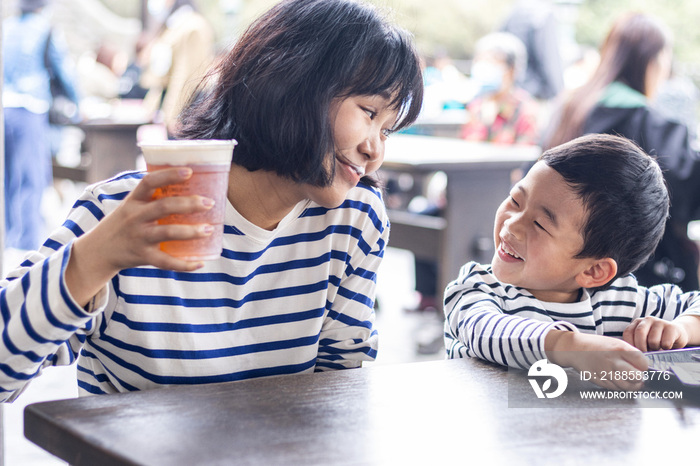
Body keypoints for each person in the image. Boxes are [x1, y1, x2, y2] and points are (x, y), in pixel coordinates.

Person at [0, 0, 423, 402]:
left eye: (388, 130)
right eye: (369, 112)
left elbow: (340, 389)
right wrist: (96, 257)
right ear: (294, 83)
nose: (375, 151)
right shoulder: (125, 213)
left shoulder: (355, 218)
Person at [444, 134, 700, 391]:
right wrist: (574, 348)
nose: (512, 224)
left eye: (539, 224)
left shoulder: (622, 302)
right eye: (515, 200)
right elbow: (483, 331)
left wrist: (681, 330)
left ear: (593, 270)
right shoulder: (477, 287)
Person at [544, 12, 700, 292]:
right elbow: (682, 190)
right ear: (651, 61)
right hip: (632, 281)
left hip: (562, 268)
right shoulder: (645, 119)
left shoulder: (571, 108)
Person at [2, 0, 80, 251]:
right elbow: (65, 72)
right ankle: (27, 245)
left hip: (6, 108)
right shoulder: (46, 29)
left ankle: (11, 237)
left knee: (10, 178)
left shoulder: (7, 27)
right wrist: (80, 104)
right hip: (31, 108)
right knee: (31, 178)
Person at [138, 0, 215, 137]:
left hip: (188, 107)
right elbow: (162, 77)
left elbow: (186, 75)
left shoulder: (192, 26)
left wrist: (175, 114)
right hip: (175, 108)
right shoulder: (173, 26)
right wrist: (151, 107)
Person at [462, 32, 539, 145]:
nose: (485, 67)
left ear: (511, 69)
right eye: (480, 60)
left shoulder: (525, 110)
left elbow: (526, 154)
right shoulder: (476, 107)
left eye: (493, 61)